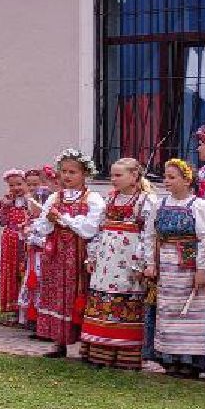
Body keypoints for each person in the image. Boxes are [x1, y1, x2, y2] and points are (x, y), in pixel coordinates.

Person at [75, 158, 155, 371]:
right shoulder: (109, 199)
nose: (113, 179)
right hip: (105, 261)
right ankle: (98, 352)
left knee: (127, 300)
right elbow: (99, 230)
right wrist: (91, 257)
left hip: (128, 261)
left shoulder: (145, 201)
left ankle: (125, 357)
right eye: (112, 175)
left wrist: (142, 264)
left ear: (134, 177)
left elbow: (149, 235)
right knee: (101, 299)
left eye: (119, 175)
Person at [29, 151, 104, 357]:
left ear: (84, 174)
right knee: (55, 293)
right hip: (56, 253)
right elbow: (42, 228)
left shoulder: (93, 199)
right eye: (64, 172)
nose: (67, 176)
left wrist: (63, 218)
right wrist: (50, 221)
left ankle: (85, 343)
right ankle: (58, 341)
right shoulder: (55, 197)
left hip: (79, 253)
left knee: (77, 294)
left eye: (73, 172)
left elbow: (89, 229)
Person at [150, 158, 205, 378]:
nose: (166, 181)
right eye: (165, 177)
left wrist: (201, 270)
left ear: (187, 181)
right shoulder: (160, 204)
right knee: (167, 309)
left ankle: (189, 361)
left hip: (189, 262)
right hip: (167, 263)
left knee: (190, 311)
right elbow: (151, 235)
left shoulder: (198, 206)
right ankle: (169, 358)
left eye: (172, 177)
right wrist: (151, 263)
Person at [0, 169, 34, 317]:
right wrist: (5, 206)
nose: (16, 188)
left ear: (25, 183)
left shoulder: (31, 201)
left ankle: (26, 310)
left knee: (23, 271)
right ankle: (12, 308)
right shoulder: (6, 201)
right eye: (12, 185)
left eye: (19, 184)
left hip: (26, 240)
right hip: (10, 241)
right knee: (11, 271)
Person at [17, 166, 51, 331]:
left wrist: (36, 239)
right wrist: (26, 233)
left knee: (41, 284)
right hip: (32, 256)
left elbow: (46, 236)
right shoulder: (31, 216)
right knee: (31, 284)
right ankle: (30, 317)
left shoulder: (46, 218)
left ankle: (40, 318)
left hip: (43, 257)